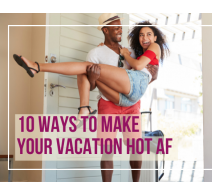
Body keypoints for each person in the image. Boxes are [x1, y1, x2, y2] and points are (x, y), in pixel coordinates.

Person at [13, 14, 169, 182]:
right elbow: (91, 85)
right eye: (116, 27)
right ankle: (77, 100)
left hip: (131, 103)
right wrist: (93, 78)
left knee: (135, 147)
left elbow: (142, 73)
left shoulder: (129, 52)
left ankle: (39, 68)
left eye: (120, 27)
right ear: (105, 29)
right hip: (110, 102)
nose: (120, 30)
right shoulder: (96, 52)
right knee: (108, 149)